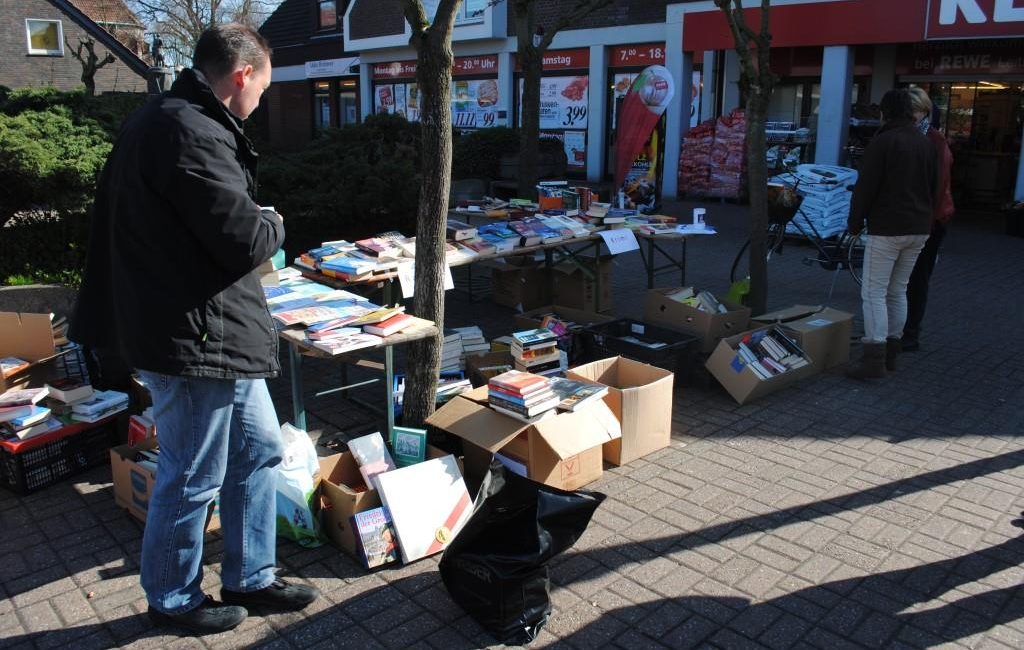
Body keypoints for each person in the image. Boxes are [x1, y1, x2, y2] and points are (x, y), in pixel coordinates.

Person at [70, 24, 318, 633]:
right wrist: (275, 220)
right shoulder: (187, 130)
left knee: (259, 450)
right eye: (263, 87)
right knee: (192, 472)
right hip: (191, 338)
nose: (260, 101)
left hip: (210, 331)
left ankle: (251, 575)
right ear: (242, 76)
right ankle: (174, 596)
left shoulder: (175, 118)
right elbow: (244, 238)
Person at [846, 88, 937, 380]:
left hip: (888, 226)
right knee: (898, 290)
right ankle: (892, 354)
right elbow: (934, 186)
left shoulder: (884, 141)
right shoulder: (925, 143)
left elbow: (866, 187)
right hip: (919, 227)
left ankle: (874, 358)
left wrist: (855, 222)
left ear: (886, 112)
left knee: (873, 292)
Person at [902, 86, 955, 353]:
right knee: (902, 278)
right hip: (909, 218)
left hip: (930, 220)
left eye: (914, 110)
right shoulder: (902, 136)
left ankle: (910, 333)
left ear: (924, 111)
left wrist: (929, 221)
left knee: (918, 277)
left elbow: (940, 183)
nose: (910, 115)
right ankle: (898, 329)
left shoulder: (935, 141)